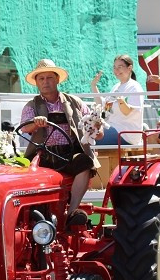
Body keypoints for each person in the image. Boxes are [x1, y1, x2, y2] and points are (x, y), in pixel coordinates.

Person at [19, 59, 100, 226]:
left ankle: (71, 214)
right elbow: (25, 128)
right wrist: (36, 122)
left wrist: (95, 128)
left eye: (49, 78)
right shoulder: (31, 105)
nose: (45, 82)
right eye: (41, 79)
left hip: (69, 154)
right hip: (44, 154)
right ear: (36, 83)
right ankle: (37, 218)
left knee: (85, 162)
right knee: (29, 174)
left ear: (57, 80)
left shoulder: (74, 102)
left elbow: (94, 126)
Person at [91, 54, 144, 146]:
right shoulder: (116, 87)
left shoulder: (135, 87)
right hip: (111, 128)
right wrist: (93, 86)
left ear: (129, 68)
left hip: (125, 133)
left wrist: (121, 102)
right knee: (86, 133)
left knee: (90, 138)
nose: (116, 70)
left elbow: (127, 112)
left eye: (120, 67)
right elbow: (104, 108)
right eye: (114, 67)